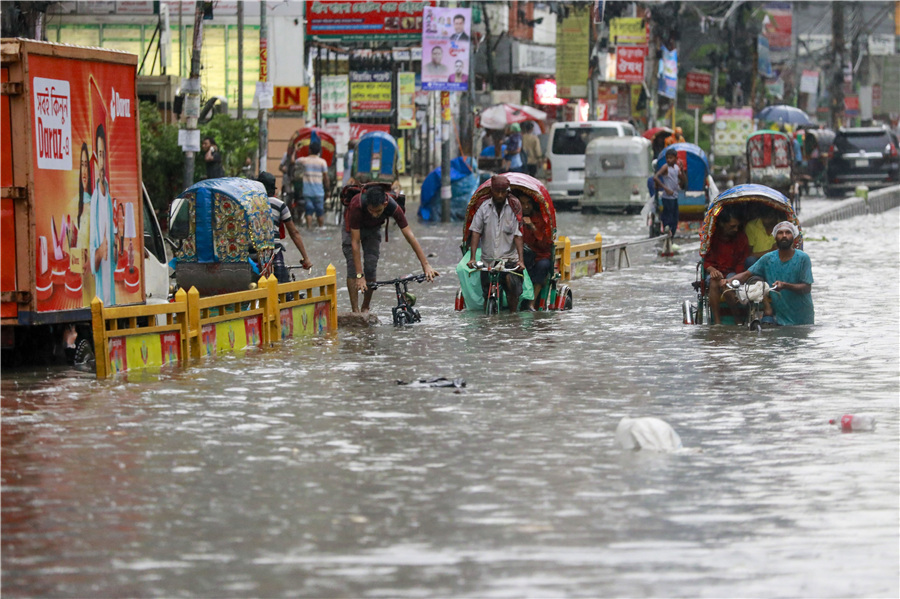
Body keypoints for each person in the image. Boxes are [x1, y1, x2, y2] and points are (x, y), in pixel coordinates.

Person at [343, 185, 438, 313]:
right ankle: (355, 311)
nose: (374, 214)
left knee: (371, 266)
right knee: (352, 267)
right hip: (352, 229)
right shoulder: (357, 205)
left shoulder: (393, 207)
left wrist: (426, 265)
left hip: (373, 229)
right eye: (371, 211)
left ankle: (365, 307)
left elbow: (410, 236)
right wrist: (360, 275)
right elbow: (355, 242)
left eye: (378, 211)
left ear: (385, 203)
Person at [726, 221, 814, 326]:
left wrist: (785, 285)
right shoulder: (768, 258)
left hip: (802, 315)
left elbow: (807, 287)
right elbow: (746, 274)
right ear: (775, 237)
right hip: (781, 316)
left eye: (788, 232)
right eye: (780, 233)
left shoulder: (803, 258)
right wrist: (728, 281)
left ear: (793, 236)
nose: (784, 236)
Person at [466, 175, 526, 312]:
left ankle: (513, 316)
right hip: (488, 260)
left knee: (512, 290)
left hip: (509, 260)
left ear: (507, 192)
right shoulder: (483, 207)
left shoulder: (514, 208)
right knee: (487, 293)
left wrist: (521, 261)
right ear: (491, 191)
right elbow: (476, 231)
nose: (500, 195)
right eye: (497, 192)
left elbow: (518, 235)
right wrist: (473, 258)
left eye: (503, 192)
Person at [256, 172, 313, 284]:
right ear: (273, 189)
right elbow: (294, 233)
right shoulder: (280, 205)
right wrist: (306, 258)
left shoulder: (251, 204)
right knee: (283, 291)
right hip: (274, 252)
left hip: (253, 251)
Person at [703, 210, 750, 325]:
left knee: (727, 284)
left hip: (733, 273)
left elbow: (742, 261)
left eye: (737, 226)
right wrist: (713, 270)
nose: (735, 229)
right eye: (732, 226)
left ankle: (737, 318)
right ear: (722, 224)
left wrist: (733, 278)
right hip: (716, 272)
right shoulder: (712, 238)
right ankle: (717, 322)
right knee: (714, 282)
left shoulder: (741, 238)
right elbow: (706, 261)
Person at [89, 124, 115, 306]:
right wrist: (100, 251)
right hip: (100, 300)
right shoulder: (94, 200)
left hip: (112, 298)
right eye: (99, 154)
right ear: (95, 158)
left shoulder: (109, 196)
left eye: (104, 154)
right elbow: (93, 264)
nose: (102, 160)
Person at [518, 193, 551, 311]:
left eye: (528, 203)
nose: (526, 206)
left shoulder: (540, 219)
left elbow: (545, 245)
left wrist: (532, 227)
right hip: (518, 256)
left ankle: (531, 303)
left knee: (544, 265)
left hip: (538, 256)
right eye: (522, 203)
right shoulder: (513, 219)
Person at [653, 148, 686, 237]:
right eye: (667, 158)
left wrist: (682, 170)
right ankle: (667, 234)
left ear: (676, 158)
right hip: (667, 197)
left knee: (675, 218)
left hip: (674, 197)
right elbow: (655, 177)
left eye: (671, 158)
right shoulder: (665, 167)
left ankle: (671, 237)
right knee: (668, 218)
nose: (668, 160)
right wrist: (665, 188)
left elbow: (683, 181)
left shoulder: (676, 168)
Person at [297, 140, 329, 229]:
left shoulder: (304, 161)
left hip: (307, 191)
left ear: (310, 150)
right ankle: (321, 227)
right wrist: (328, 189)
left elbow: (293, 161)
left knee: (309, 211)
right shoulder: (323, 162)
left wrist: (296, 149)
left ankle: (309, 228)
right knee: (320, 212)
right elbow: (326, 177)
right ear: (319, 151)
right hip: (319, 192)